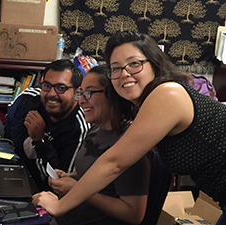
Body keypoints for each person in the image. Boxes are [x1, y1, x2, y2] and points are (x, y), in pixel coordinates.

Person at [32, 31, 226, 225]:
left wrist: (60, 205)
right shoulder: (144, 108)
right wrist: (76, 177)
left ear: (154, 64)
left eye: (134, 63)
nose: (124, 73)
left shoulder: (167, 94)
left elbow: (114, 162)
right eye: (115, 68)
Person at [49, 65, 151, 225]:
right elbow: (100, 173)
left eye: (89, 93)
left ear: (112, 95)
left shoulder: (130, 145)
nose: (82, 100)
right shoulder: (96, 129)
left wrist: (78, 190)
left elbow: (133, 214)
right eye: (80, 93)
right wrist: (70, 177)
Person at [4, 59, 90, 191]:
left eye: (61, 88)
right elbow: (8, 137)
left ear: (77, 92)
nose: (51, 94)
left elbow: (59, 182)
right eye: (46, 85)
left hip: (41, 192)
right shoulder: (28, 99)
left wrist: (40, 140)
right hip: (9, 170)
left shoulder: (80, 127)